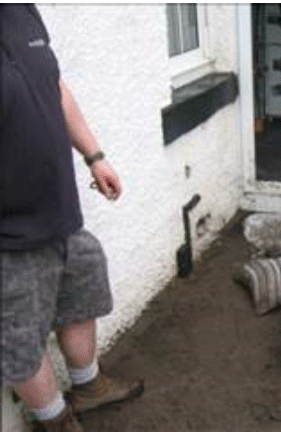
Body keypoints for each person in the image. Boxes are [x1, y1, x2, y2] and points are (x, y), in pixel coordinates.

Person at [1, 4, 143, 431]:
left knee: (81, 291)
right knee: (19, 335)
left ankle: (89, 385)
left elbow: (54, 85)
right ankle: (54, 420)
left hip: (61, 211)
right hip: (9, 234)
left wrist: (94, 155)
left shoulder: (21, 11)